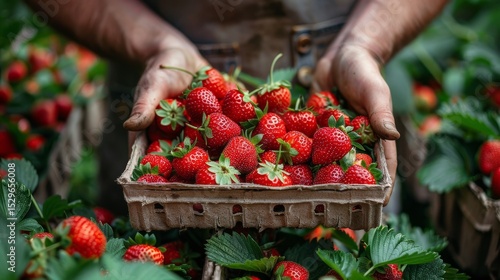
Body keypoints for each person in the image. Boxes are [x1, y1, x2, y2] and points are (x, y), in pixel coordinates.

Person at [24, 0, 448, 214]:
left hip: (344, 109)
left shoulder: (332, 145)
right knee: (159, 249)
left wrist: (366, 43)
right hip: (163, 119)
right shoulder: (201, 142)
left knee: (348, 260)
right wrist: (157, 46)